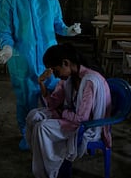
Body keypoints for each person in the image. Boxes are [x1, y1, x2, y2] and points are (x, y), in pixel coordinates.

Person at [0, 0, 81, 151]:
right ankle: (28, 136)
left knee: (55, 97)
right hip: (23, 61)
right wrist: (6, 47)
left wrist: (68, 30)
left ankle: (52, 133)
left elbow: (57, 23)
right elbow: (4, 29)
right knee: (27, 100)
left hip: (51, 59)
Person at [25, 44, 111, 178]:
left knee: (42, 128)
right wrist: (41, 83)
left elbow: (82, 118)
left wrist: (63, 112)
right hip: (72, 117)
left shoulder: (90, 81)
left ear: (66, 63)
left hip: (87, 126)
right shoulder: (68, 79)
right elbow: (52, 104)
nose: (55, 75)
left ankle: (50, 172)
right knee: (33, 116)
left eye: (56, 70)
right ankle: (43, 164)